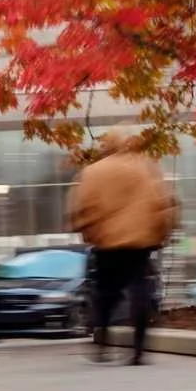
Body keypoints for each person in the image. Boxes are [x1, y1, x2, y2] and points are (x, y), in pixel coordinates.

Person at [67, 126, 178, 365]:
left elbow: (81, 207)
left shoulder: (93, 172)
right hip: (140, 242)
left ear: (107, 145)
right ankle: (138, 349)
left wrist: (88, 233)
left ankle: (103, 342)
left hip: (107, 244)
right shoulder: (145, 168)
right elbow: (162, 203)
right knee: (140, 292)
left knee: (106, 294)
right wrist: (163, 233)